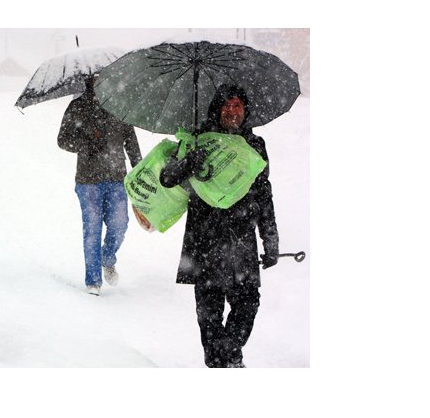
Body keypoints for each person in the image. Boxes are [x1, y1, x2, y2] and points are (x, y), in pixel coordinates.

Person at [159, 85, 279, 368]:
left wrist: (270, 239)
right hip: (204, 238)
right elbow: (167, 178)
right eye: (227, 106)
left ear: (245, 110)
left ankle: (229, 354)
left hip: (241, 239)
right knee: (209, 313)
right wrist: (188, 162)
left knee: (247, 303)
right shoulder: (197, 140)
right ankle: (219, 364)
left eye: (237, 106)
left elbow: (264, 193)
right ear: (217, 109)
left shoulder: (255, 145)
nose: (232, 111)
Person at [58, 74, 142, 296]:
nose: (100, 80)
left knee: (120, 224)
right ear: (88, 80)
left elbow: (130, 140)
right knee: (92, 231)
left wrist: (140, 168)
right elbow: (62, 139)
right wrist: (87, 141)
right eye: (95, 77)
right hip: (88, 181)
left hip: (117, 178)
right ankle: (93, 280)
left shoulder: (119, 105)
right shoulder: (77, 107)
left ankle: (108, 257)